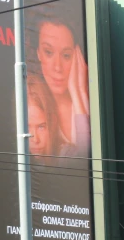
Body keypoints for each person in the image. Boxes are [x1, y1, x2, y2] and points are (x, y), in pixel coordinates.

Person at [32, 18, 90, 156]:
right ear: (38, 53)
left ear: (77, 57)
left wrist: (78, 91)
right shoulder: (33, 106)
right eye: (48, 52)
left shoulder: (95, 100)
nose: (57, 67)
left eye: (66, 55)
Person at [26, 75, 89, 161]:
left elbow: (84, 156)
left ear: (53, 121)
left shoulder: (65, 155)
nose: (35, 139)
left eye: (41, 127)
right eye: (27, 127)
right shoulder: (16, 160)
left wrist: (77, 92)